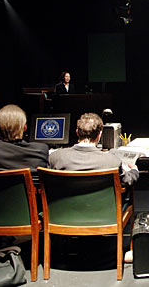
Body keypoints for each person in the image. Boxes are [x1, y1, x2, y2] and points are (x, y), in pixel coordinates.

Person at [48, 112, 139, 263]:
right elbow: (128, 180)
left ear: (77, 132)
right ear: (100, 134)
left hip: (63, 216)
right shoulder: (111, 161)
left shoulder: (56, 158)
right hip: (104, 216)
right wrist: (134, 170)